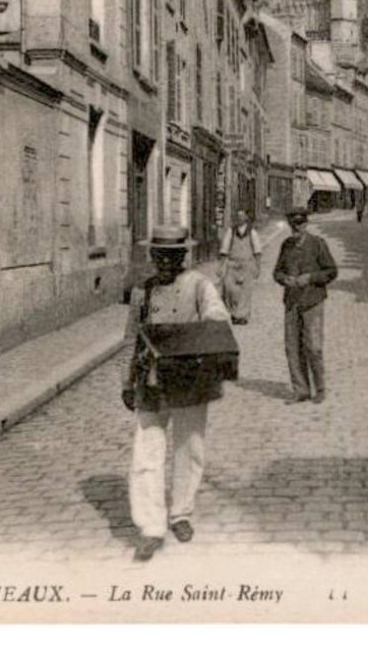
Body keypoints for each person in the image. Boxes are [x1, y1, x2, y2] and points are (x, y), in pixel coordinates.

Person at [121, 225, 231, 562]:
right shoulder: (142, 291)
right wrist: (127, 381)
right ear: (152, 256)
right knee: (146, 453)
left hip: (189, 381)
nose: (165, 262)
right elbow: (131, 337)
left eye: (173, 256)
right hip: (151, 381)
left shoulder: (199, 285)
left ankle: (181, 513)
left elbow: (218, 318)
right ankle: (151, 527)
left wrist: (196, 333)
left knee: (189, 448)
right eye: (159, 256)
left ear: (184, 256)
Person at [273, 206, 338, 405]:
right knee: (292, 347)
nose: (297, 229)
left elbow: (331, 271)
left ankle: (320, 389)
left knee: (313, 346)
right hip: (292, 302)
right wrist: (285, 279)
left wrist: (310, 278)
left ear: (306, 224)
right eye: (293, 226)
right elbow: (277, 272)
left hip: (313, 301)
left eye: (300, 225)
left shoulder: (318, 244)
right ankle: (301, 390)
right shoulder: (286, 245)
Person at [217, 208, 263, 324]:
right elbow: (224, 249)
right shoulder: (231, 232)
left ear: (246, 217)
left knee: (245, 291)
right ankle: (234, 312)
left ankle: (242, 316)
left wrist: (258, 267)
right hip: (232, 264)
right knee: (230, 290)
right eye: (238, 216)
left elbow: (257, 251)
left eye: (242, 216)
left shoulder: (252, 232)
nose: (240, 218)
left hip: (247, 264)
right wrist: (221, 266)